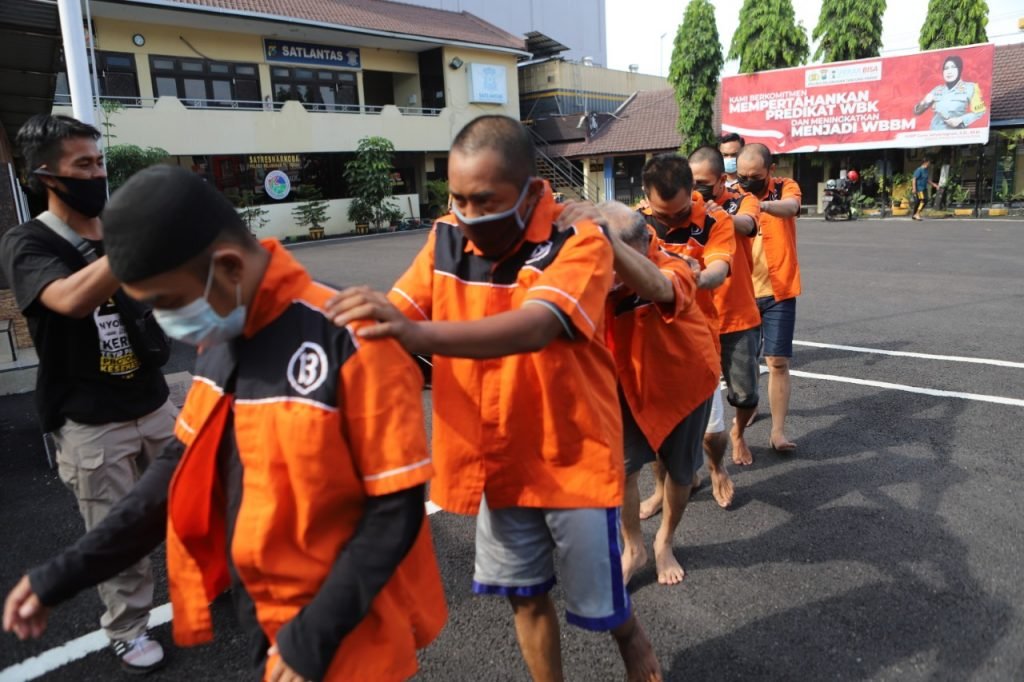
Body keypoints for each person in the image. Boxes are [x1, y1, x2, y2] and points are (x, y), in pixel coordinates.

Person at [3, 166, 447, 682]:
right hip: (266, 617)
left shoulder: (353, 341)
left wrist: (311, 639)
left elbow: (394, 513)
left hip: (346, 633)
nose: (168, 322)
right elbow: (172, 472)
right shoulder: (223, 339)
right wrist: (62, 574)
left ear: (230, 267)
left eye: (167, 303)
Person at [325, 115, 661, 682]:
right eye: (457, 199)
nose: (468, 215)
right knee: (524, 596)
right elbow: (394, 314)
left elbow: (536, 325)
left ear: (531, 192)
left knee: (598, 602)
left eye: (484, 201)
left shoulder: (576, 240)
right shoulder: (445, 239)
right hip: (496, 462)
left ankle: (631, 638)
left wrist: (415, 336)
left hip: (570, 458)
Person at [0, 114, 174, 673]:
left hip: (152, 399)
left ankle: (209, 584)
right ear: (46, 174)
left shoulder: (115, 224)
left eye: (99, 163)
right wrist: (129, 244)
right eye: (83, 165)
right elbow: (71, 299)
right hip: (90, 419)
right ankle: (127, 629)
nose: (97, 174)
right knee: (116, 533)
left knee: (195, 506)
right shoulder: (28, 242)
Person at [575, 201, 718, 586]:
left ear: (639, 247)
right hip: (623, 385)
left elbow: (657, 287)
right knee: (621, 471)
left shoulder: (674, 263)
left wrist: (610, 248)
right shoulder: (586, 266)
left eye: (611, 257)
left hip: (683, 386)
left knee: (680, 472)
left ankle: (664, 541)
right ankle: (633, 547)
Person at [636, 153, 736, 516]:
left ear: (692, 190)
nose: (671, 221)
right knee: (657, 432)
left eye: (679, 213)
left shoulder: (715, 219)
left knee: (711, 431)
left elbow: (720, 269)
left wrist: (694, 277)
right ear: (646, 197)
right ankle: (662, 487)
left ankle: (715, 467)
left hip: (698, 344)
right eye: (663, 215)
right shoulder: (635, 222)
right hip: (651, 345)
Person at [689, 146, 762, 469]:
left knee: (745, 396)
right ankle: (693, 463)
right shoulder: (684, 205)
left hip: (738, 314)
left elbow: (747, 225)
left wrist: (715, 215)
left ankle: (739, 431)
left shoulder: (742, 200)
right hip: (696, 319)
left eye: (703, 182)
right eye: (691, 182)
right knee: (691, 399)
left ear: (721, 179)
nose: (696, 189)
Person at [737, 143, 802, 452]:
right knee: (744, 362)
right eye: (742, 176)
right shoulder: (731, 195)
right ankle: (745, 416)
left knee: (777, 362)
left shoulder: (785, 187)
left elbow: (791, 207)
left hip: (778, 291)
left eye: (755, 176)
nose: (747, 182)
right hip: (739, 292)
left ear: (771, 172)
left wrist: (757, 206)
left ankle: (777, 432)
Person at [913, 55, 987, 130]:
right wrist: (924, 102)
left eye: (953, 67)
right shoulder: (937, 90)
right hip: (935, 136)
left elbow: (980, 111)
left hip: (957, 136)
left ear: (959, 69)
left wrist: (961, 120)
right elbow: (917, 112)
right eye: (946, 68)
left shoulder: (970, 88)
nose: (949, 71)